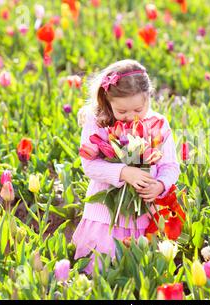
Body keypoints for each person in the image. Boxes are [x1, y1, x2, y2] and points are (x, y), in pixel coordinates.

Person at [73, 59, 180, 274]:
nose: (131, 117)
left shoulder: (158, 124)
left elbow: (170, 166)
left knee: (141, 273)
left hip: (144, 215)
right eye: (121, 111)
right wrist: (124, 171)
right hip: (105, 216)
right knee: (101, 272)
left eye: (138, 109)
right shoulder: (98, 123)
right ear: (107, 101)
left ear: (149, 98)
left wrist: (160, 186)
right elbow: (90, 165)